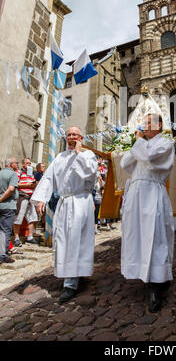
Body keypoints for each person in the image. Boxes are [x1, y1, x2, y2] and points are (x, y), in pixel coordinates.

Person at [31, 126, 98, 303]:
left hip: (80, 202)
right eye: (69, 134)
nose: (71, 137)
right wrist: (41, 199)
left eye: (75, 134)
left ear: (81, 137)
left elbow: (89, 173)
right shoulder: (60, 157)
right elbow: (48, 178)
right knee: (64, 240)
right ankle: (75, 274)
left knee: (76, 240)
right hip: (65, 203)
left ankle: (71, 284)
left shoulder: (88, 155)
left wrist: (78, 154)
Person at [120, 113, 175, 313]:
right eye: (143, 122)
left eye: (148, 122)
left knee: (156, 236)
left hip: (152, 192)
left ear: (159, 125)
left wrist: (139, 141)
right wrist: (137, 144)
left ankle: (157, 282)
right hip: (136, 193)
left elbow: (150, 158)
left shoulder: (165, 144)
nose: (144, 125)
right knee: (137, 235)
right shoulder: (142, 144)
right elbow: (125, 164)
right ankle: (141, 272)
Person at [13, 158, 38, 246]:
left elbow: (32, 184)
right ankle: (16, 238)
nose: (29, 165)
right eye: (27, 163)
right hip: (22, 196)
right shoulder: (19, 173)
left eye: (30, 163)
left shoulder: (31, 175)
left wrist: (35, 184)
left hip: (30, 197)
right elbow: (15, 184)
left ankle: (30, 237)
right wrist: (28, 185)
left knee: (33, 217)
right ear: (23, 164)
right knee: (19, 217)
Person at [0, 158, 19, 264]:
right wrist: (1, 199)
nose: (17, 165)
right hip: (8, 206)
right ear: (11, 164)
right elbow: (11, 189)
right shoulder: (12, 175)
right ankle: (3, 255)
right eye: (16, 163)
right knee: (5, 231)